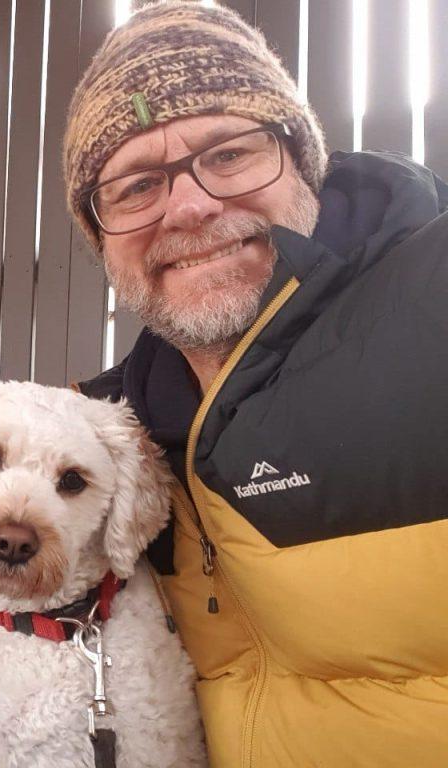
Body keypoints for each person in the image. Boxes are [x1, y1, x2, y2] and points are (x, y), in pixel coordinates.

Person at [61, 2, 448, 766]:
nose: (192, 205)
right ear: (100, 236)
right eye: (136, 186)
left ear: (303, 161)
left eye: (230, 153)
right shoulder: (100, 434)